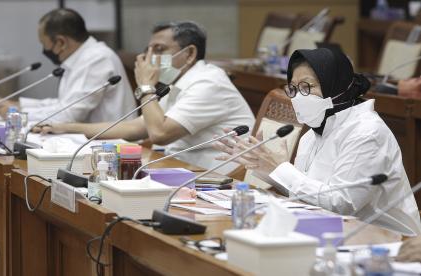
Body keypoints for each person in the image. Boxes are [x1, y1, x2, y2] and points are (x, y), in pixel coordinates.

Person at [214, 48, 421, 236]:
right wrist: (263, 167)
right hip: (336, 231)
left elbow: (342, 204)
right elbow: (306, 195)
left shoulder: (367, 132)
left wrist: (280, 168)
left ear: (336, 85)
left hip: (391, 242)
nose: (298, 97)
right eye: (293, 88)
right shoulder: (312, 134)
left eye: (307, 86)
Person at [36, 21, 255, 173]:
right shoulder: (178, 82)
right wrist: (65, 127)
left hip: (220, 179)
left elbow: (159, 133)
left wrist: (146, 87)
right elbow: (134, 128)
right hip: (185, 170)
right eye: (148, 50)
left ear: (189, 54)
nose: (150, 58)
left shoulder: (208, 83)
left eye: (159, 49)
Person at [0, 8, 136, 123]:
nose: (44, 51)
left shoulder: (96, 59)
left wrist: (19, 114)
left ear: (61, 42)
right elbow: (65, 104)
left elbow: (70, 115)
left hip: (116, 147)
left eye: (44, 44)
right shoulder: (82, 57)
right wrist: (16, 105)